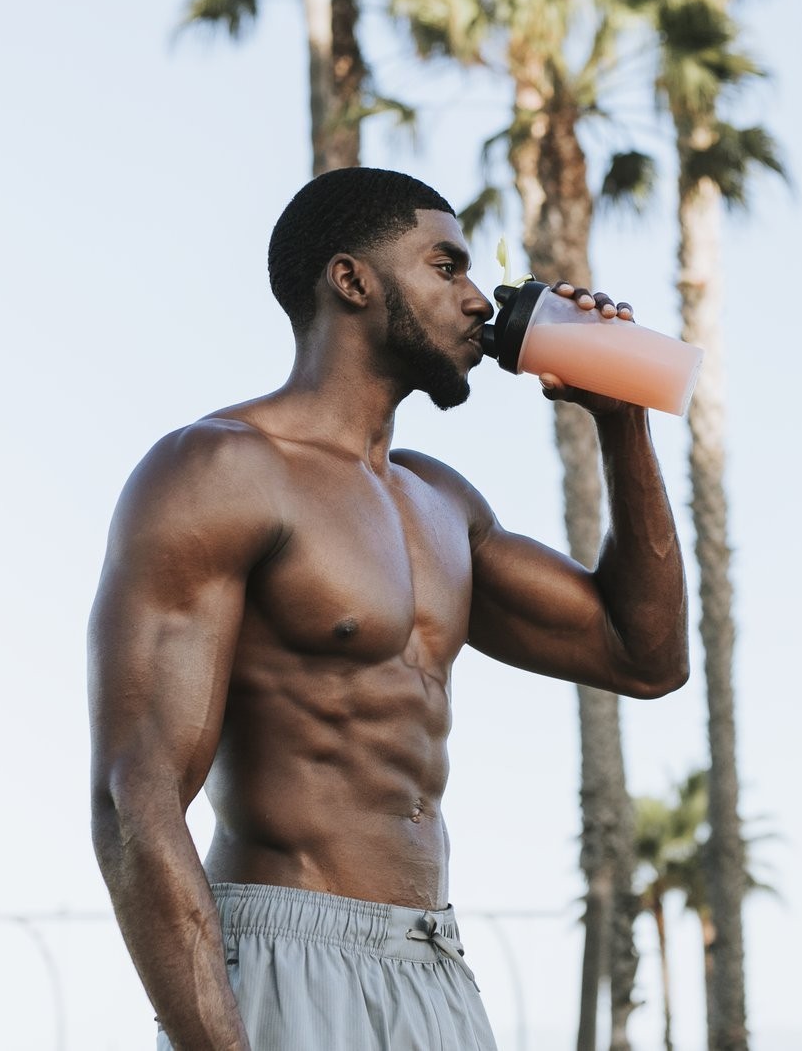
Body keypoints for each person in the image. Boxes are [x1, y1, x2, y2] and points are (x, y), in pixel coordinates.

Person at [87, 167, 689, 1050]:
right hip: (283, 953)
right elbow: (132, 796)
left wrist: (622, 423)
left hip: (433, 963)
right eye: (446, 265)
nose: (480, 299)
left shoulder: (441, 504)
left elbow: (646, 655)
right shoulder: (219, 470)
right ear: (352, 279)